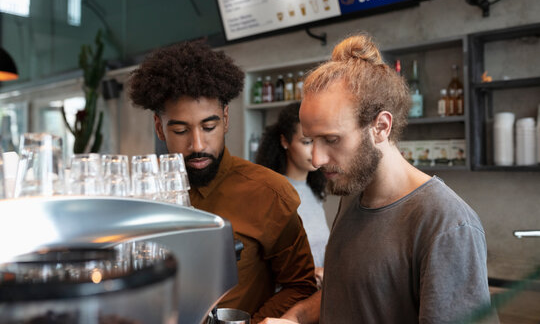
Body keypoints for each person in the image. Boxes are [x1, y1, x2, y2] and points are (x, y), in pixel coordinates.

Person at [262, 34, 493, 323]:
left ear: (380, 127)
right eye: (310, 140)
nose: (317, 159)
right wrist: (294, 319)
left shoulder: (445, 223)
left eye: (331, 139)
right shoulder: (353, 198)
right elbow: (347, 293)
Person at [127, 40, 317, 323]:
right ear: (159, 127)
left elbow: (300, 286)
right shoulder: (139, 191)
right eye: (180, 130)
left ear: (226, 120)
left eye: (209, 127)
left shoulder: (269, 193)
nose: (197, 144)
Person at [256, 102, 330, 288]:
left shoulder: (314, 191)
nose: (315, 150)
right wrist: (309, 274)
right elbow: (265, 266)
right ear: (284, 142)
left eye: (319, 140)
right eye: (306, 142)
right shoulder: (274, 194)